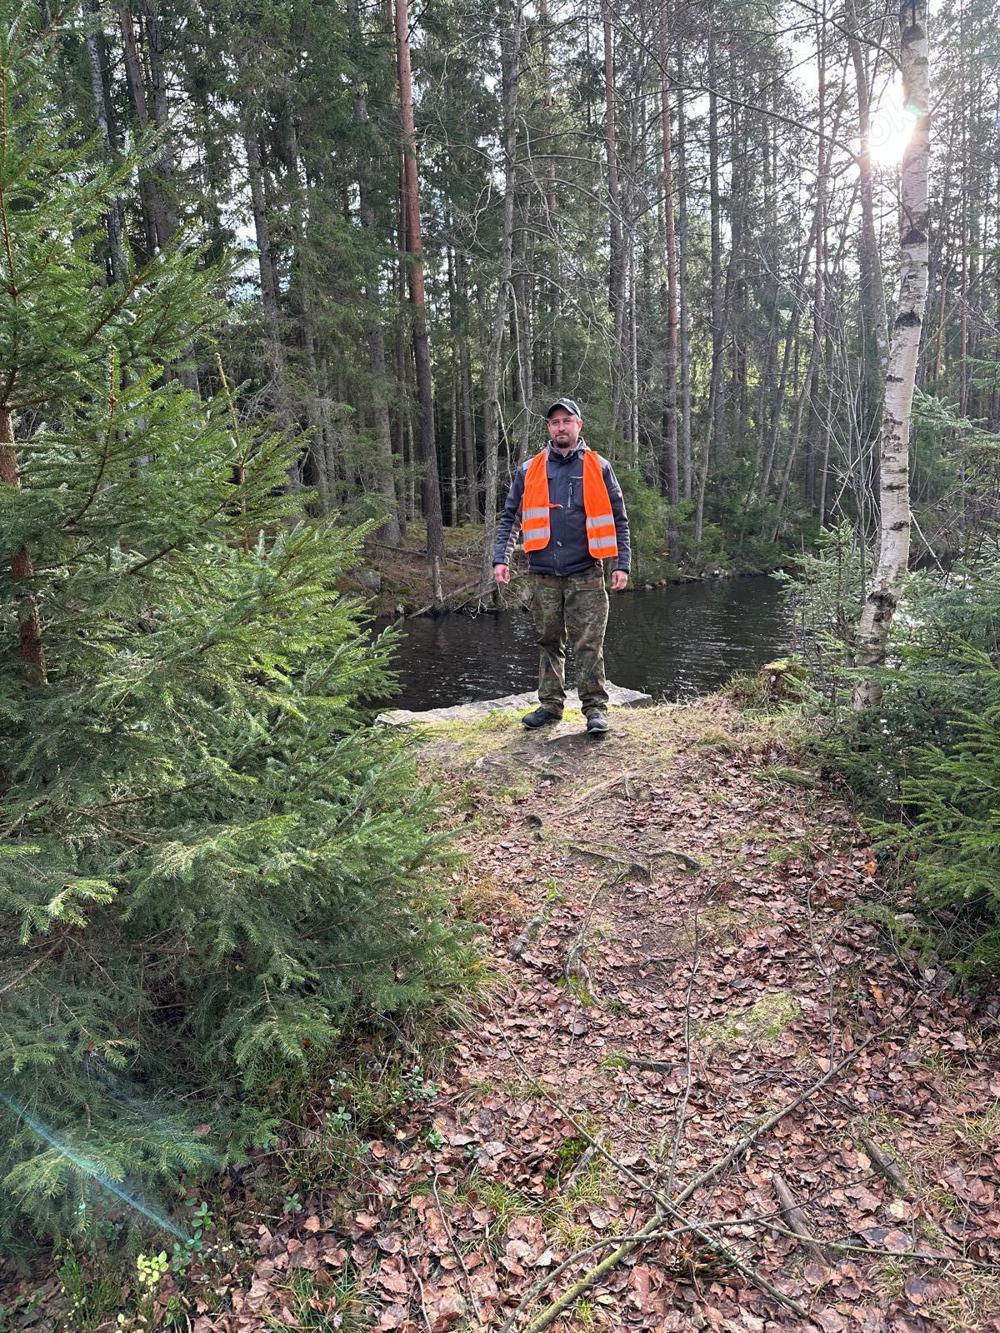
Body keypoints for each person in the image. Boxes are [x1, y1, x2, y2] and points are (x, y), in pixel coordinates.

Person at [492, 399, 630, 734]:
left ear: (578, 425)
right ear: (549, 429)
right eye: (554, 422)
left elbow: (619, 519)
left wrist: (621, 563)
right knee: (548, 641)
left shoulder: (598, 467)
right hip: (543, 574)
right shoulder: (530, 469)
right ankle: (550, 706)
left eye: (567, 421)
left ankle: (595, 710)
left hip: (586, 571)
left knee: (588, 644)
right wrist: (501, 558)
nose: (561, 427)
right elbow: (511, 517)